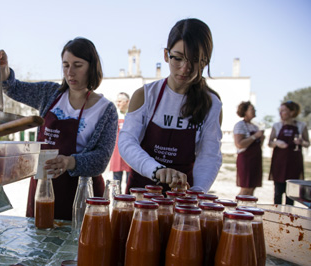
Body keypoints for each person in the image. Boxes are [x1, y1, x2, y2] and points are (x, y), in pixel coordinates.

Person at [0, 37, 118, 220]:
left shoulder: (106, 110)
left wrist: (69, 162)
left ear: (91, 66)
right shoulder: (50, 93)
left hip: (81, 194)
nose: (70, 72)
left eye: (77, 65)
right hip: (43, 187)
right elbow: (14, 88)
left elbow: (101, 159)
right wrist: (3, 68)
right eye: (65, 65)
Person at [119, 18, 222, 194]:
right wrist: (157, 170)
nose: (185, 68)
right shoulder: (145, 95)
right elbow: (127, 142)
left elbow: (209, 156)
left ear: (205, 61)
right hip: (141, 194)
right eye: (178, 58)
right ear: (166, 55)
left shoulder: (211, 104)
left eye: (195, 60)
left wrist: (196, 193)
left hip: (183, 197)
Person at [268, 101, 309, 205]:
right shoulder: (276, 126)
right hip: (279, 162)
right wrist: (276, 143)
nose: (281, 113)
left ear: (292, 112)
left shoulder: (301, 125)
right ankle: (277, 214)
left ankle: (288, 215)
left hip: (294, 162)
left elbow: (307, 143)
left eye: (284, 110)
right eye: (280, 111)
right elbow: (270, 142)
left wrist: (301, 142)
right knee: (278, 192)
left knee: (291, 193)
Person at [233, 101, 265, 196]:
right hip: (246, 160)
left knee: (252, 188)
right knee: (245, 188)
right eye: (252, 109)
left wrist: (262, 138)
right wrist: (255, 136)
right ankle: (236, 208)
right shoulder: (240, 125)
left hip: (256, 159)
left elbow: (258, 145)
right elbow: (239, 144)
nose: (255, 111)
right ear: (245, 111)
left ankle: (247, 208)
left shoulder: (255, 126)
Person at [109, 92, 131, 189]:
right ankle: (116, 200)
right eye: (117, 101)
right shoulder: (114, 115)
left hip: (130, 151)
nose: (118, 103)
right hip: (116, 151)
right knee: (116, 181)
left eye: (120, 101)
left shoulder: (132, 115)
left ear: (127, 102)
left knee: (130, 180)